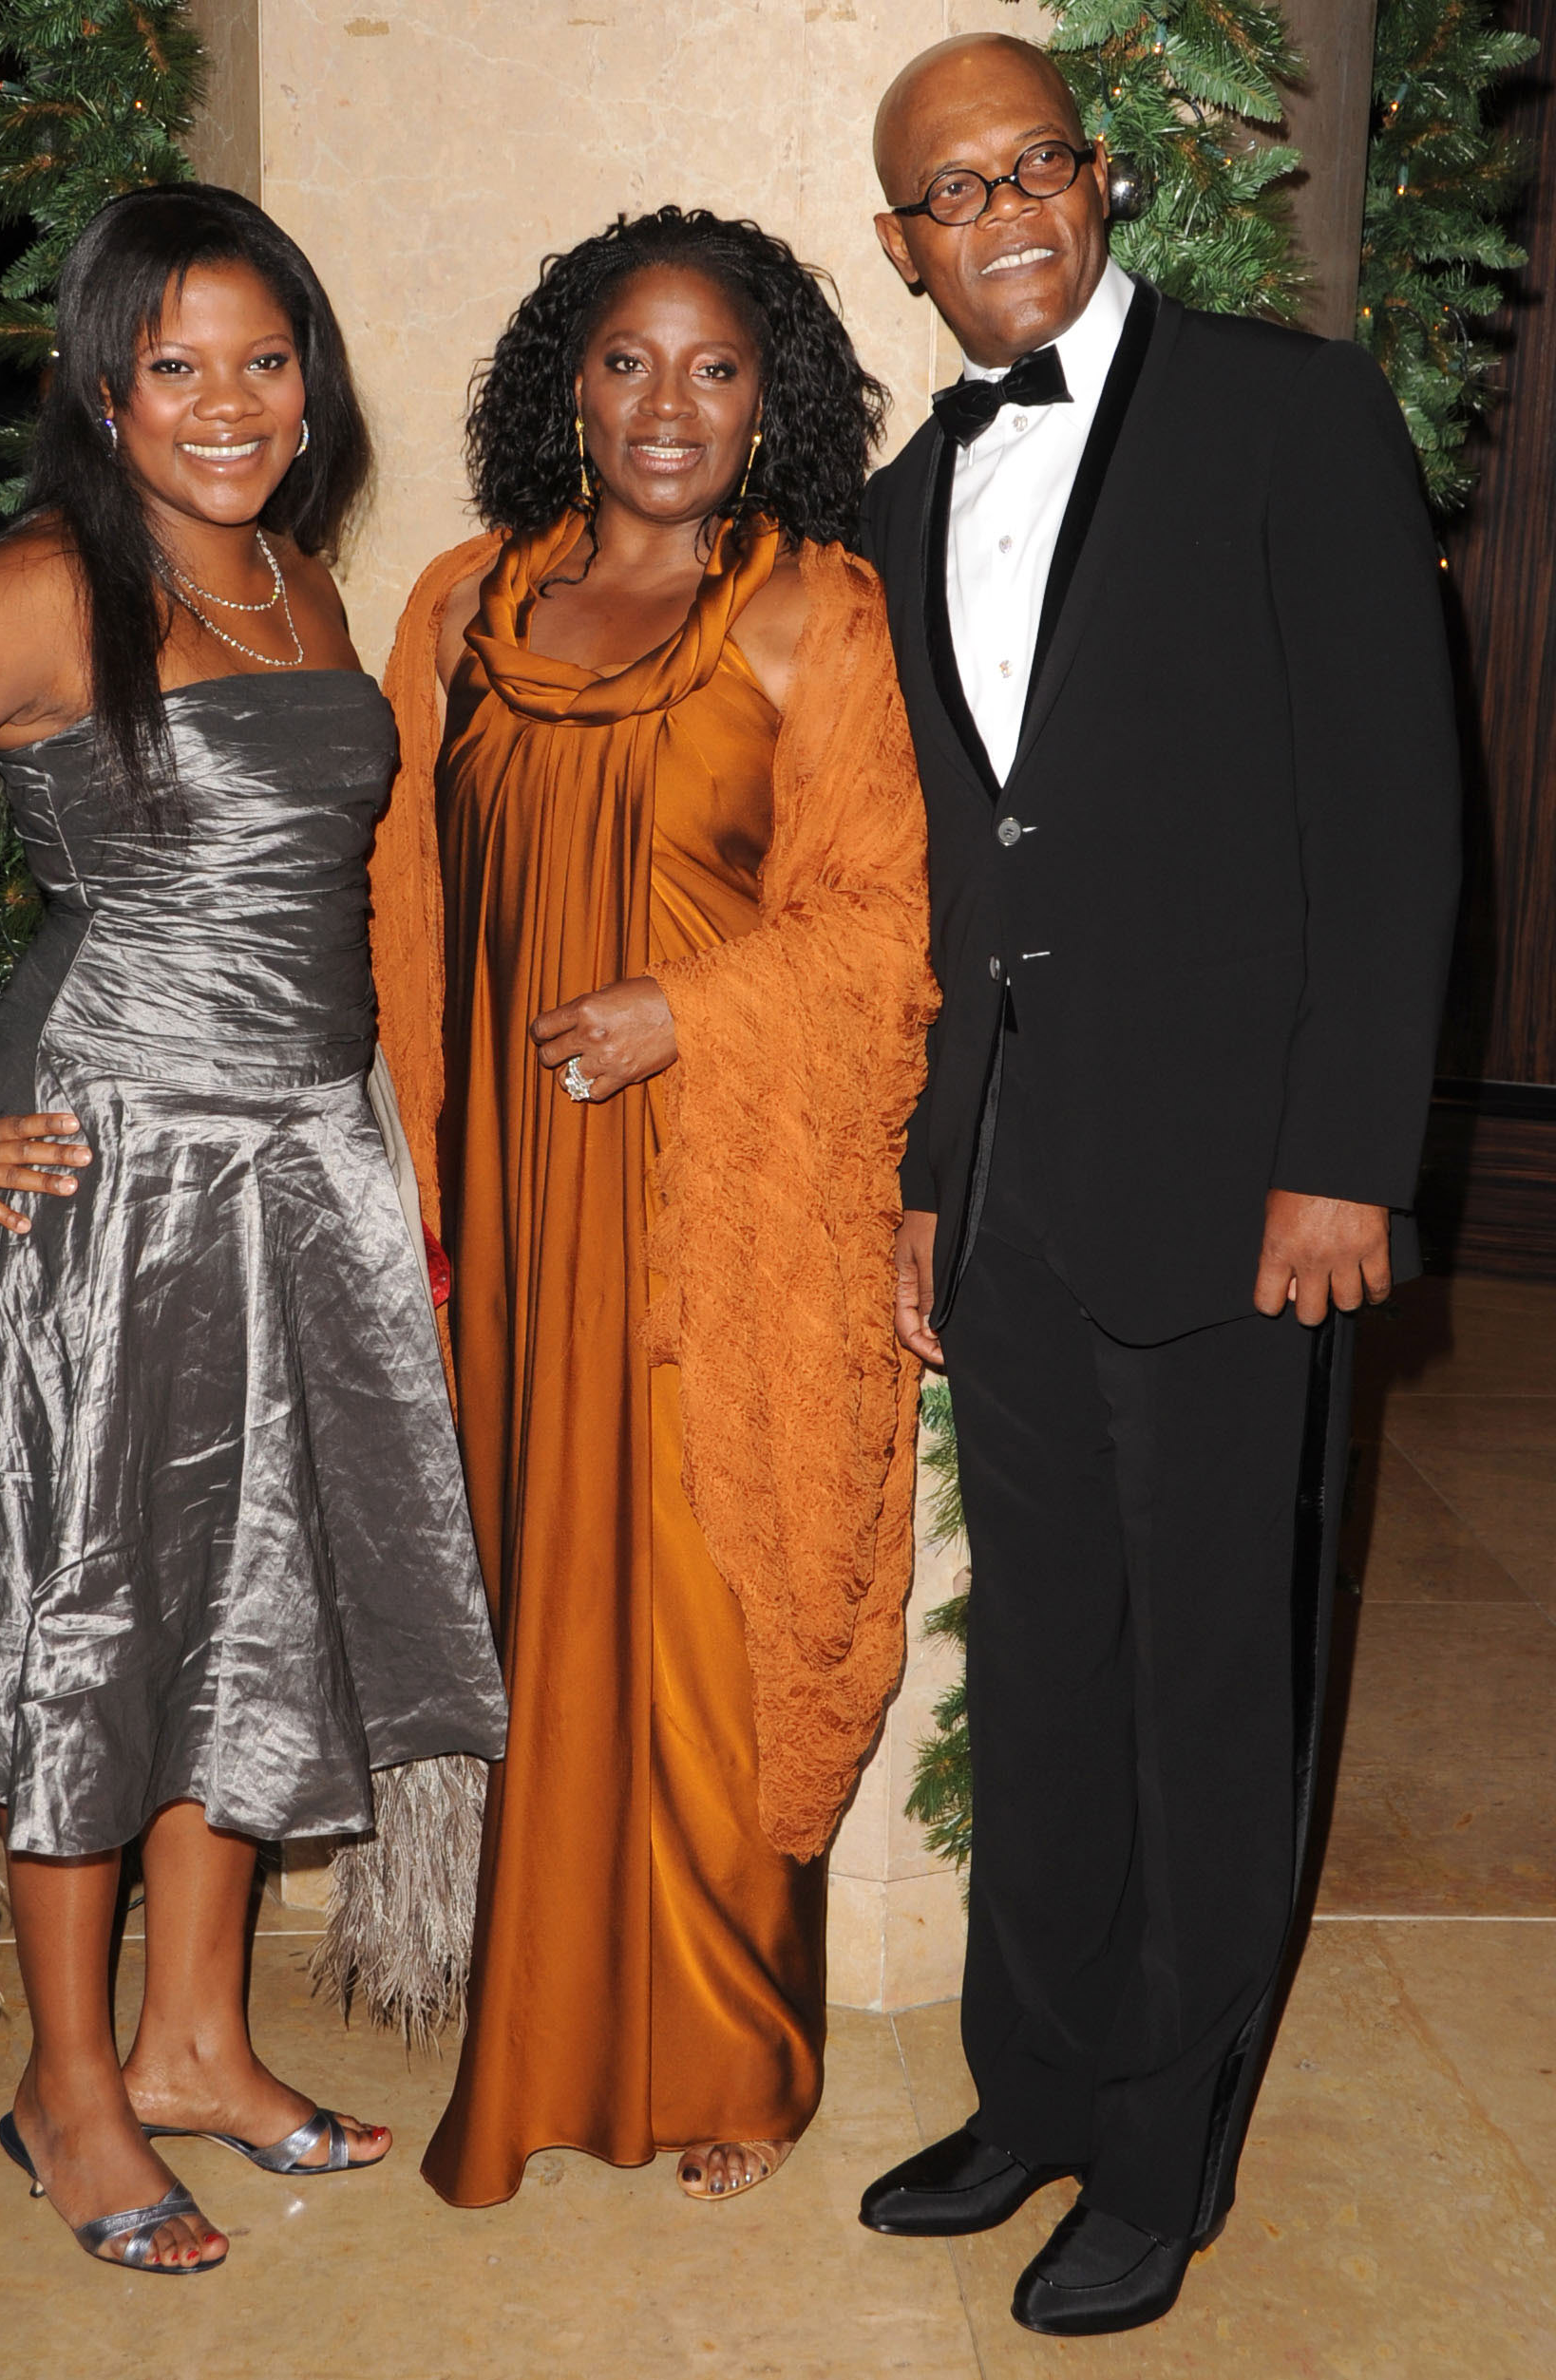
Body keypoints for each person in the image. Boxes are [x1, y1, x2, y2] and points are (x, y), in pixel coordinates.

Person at [0, 184, 505, 2273]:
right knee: (95, 1613)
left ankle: (196, 2035)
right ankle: (71, 2081)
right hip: (110, 1179)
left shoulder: (295, 575)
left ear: (314, 376)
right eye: (176, 363)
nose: (229, 403)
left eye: (264, 357)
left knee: (255, 1591)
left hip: (311, 1164)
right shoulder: (46, 587)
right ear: (104, 387)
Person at [853, 35, 1461, 2338]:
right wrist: (934, 1177)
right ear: (900, 245)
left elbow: (1399, 824)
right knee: (1048, 1653)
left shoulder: (1289, 414)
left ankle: (1171, 2139)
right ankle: (1039, 2084)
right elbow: (953, 892)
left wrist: (1339, 1164)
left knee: (1211, 1672)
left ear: (1095, 184)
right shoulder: (913, 500)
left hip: (1239, 1195)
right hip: (1011, 1192)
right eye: (949, 192)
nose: (1001, 214)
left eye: (1032, 169)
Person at [370, 206, 936, 2208]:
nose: (667, 406)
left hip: (722, 1218)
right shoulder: (457, 605)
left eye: (715, 366)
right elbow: (396, 923)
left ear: (771, 394)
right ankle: (530, 2048)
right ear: (565, 385)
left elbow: (888, 931)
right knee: (539, 1626)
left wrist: (686, 1007)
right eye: (626, 362)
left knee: (707, 1627)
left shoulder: (822, 616)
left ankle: (729, 2051)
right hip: (508, 1221)